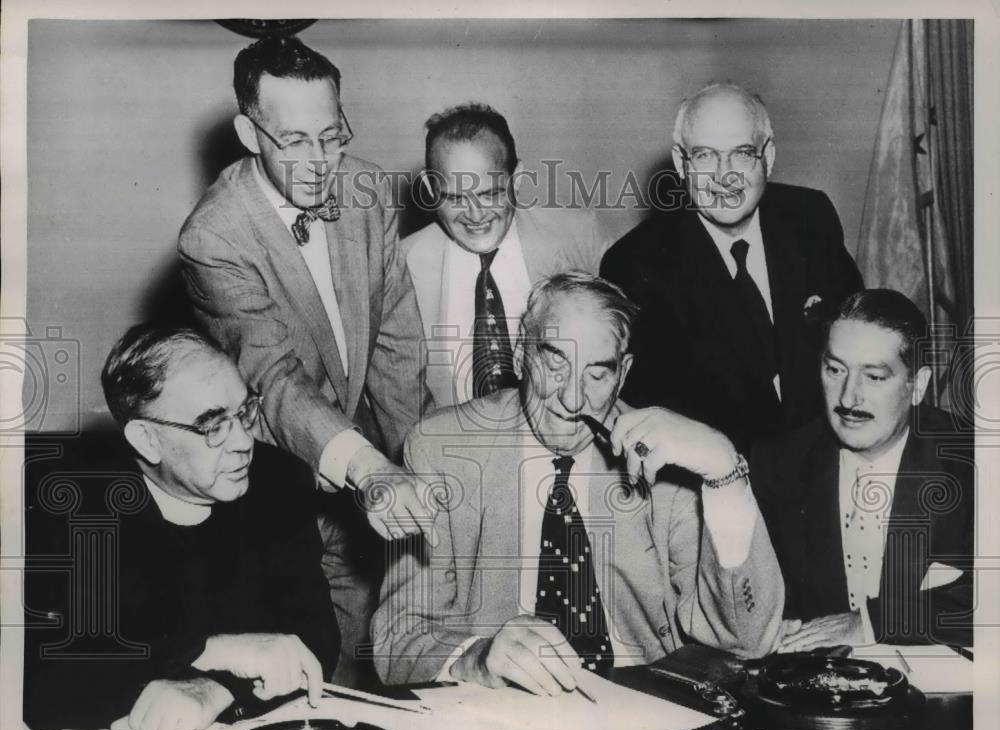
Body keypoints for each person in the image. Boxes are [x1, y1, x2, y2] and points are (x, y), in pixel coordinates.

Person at [372, 273, 783, 690]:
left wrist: (723, 472)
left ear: (623, 375)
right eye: (554, 362)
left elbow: (748, 641)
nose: (572, 399)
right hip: (499, 717)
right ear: (519, 355)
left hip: (643, 714)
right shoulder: (441, 450)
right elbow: (397, 638)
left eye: (597, 374)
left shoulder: (665, 462)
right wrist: (477, 658)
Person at [177, 36, 433, 685]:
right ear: (248, 131)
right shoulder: (214, 236)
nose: (320, 162)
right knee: (321, 675)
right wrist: (369, 468)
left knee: (401, 655)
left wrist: (416, 468)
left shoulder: (367, 191)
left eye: (331, 135)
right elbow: (272, 379)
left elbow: (397, 345)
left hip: (369, 472)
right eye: (293, 140)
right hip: (274, 488)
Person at [23, 324, 339, 730]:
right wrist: (212, 650)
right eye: (212, 426)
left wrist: (218, 690)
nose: (245, 441)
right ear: (147, 440)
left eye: (245, 412)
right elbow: (44, 682)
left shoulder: (279, 481)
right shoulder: (70, 505)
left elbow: (314, 638)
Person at [601, 82, 863, 454]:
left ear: (768, 156)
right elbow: (655, 416)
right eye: (706, 156)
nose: (725, 176)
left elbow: (859, 340)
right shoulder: (636, 266)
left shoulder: (810, 218)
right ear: (681, 163)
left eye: (741, 154)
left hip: (828, 460)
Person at [751, 290, 974, 649]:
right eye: (835, 370)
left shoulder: (973, 461)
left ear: (917, 385)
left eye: (873, 377)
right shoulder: (778, 463)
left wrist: (872, 623)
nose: (847, 398)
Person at [403, 103, 610, 408]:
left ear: (517, 179)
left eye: (489, 194)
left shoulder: (579, 238)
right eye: (455, 197)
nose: (475, 215)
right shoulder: (402, 263)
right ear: (430, 189)